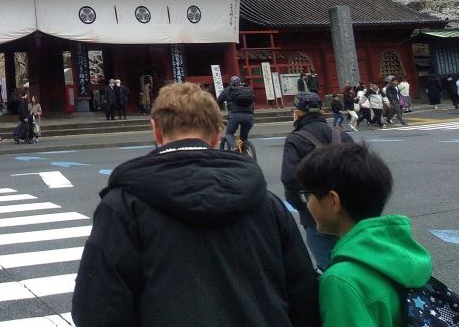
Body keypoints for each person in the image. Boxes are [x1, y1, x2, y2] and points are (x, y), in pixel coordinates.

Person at [71, 82, 319, 327]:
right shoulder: (266, 202)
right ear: (217, 135)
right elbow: (303, 294)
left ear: (156, 131)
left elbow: (96, 309)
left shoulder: (122, 206)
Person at [295, 143, 432, 327]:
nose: (307, 204)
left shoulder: (341, 281)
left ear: (333, 200)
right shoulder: (402, 253)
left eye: (308, 196)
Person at [281, 91, 353, 271]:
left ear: (298, 113)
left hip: (317, 216)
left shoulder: (295, 140)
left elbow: (290, 180)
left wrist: (304, 208)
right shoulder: (342, 136)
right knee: (357, 263)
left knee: (331, 268)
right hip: (349, 212)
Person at [217, 75, 255, 150]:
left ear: (230, 83)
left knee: (229, 133)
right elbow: (253, 99)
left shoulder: (227, 90)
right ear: (240, 82)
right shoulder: (247, 89)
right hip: (249, 116)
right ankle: (245, 148)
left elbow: (218, 102)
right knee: (243, 137)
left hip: (235, 115)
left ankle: (234, 148)